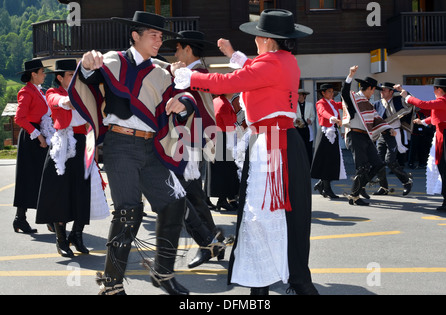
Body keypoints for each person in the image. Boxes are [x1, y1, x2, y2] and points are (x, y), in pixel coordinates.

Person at [174, 9, 318, 295]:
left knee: (261, 215)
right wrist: (233, 54)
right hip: (277, 142)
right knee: (276, 216)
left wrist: (189, 76)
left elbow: (230, 83)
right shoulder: (285, 61)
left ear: (267, 40)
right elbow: (252, 70)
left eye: (257, 36)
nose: (254, 40)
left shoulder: (270, 65)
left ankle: (277, 283)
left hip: (271, 145)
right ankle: (273, 282)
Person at [69, 11, 200, 295]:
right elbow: (89, 78)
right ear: (135, 36)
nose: (159, 40)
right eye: (153, 35)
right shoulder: (112, 60)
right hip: (120, 146)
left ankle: (162, 274)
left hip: (150, 147)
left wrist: (185, 105)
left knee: (175, 202)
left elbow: (184, 96)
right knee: (129, 213)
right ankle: (112, 285)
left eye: (161, 36)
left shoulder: (161, 71)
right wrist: (88, 66)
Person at [162, 30, 230, 268]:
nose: (175, 54)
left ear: (188, 49)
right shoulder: (196, 73)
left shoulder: (194, 74)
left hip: (188, 141)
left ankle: (208, 242)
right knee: (193, 196)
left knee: (179, 195)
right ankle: (212, 242)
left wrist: (176, 75)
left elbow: (189, 106)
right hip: (191, 140)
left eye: (178, 49)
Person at [36, 59, 109, 258]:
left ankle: (77, 235)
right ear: (59, 78)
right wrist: (73, 100)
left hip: (83, 142)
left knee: (82, 191)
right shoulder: (54, 93)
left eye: (75, 75)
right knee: (61, 193)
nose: (74, 79)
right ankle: (61, 239)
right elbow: (59, 102)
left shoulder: (85, 92)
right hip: (63, 146)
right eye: (70, 75)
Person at [341, 66, 395, 206]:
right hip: (355, 135)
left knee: (378, 164)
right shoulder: (354, 97)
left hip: (366, 137)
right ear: (370, 88)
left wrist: (388, 128)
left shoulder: (368, 104)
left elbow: (377, 119)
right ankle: (355, 196)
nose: (373, 93)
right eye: (373, 90)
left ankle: (357, 190)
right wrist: (350, 75)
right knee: (363, 167)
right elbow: (344, 93)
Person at [395, 78, 446, 211]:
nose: (434, 91)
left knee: (445, 169)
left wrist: (406, 95)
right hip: (443, 134)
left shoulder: (443, 100)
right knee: (444, 168)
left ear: (439, 89)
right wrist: (423, 121)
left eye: (434, 89)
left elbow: (423, 104)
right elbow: (438, 116)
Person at [13, 59, 53, 234]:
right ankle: (22, 219)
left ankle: (26, 218)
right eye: (42, 71)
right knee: (30, 178)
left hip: (38, 134)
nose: (45, 75)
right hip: (31, 137)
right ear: (33, 74)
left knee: (41, 178)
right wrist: (38, 136)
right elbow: (19, 118)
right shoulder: (26, 92)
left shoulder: (40, 91)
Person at [372, 82, 413, 196]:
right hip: (382, 134)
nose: (381, 92)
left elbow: (411, 102)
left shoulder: (398, 100)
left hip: (394, 133)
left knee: (390, 161)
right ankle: (383, 187)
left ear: (391, 91)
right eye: (381, 90)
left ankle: (407, 181)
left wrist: (401, 90)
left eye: (384, 90)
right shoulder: (377, 104)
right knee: (379, 162)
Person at [311, 84, 346, 199]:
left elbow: (344, 104)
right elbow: (323, 112)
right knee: (327, 161)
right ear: (323, 93)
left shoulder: (333, 103)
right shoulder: (320, 103)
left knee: (333, 161)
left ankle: (322, 184)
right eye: (329, 92)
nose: (331, 94)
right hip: (325, 133)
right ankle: (326, 188)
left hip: (333, 133)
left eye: (332, 92)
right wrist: (332, 118)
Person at [294, 89, 315, 164]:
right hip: (298, 129)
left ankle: (309, 166)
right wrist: (295, 120)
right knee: (298, 147)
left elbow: (313, 116)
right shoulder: (294, 105)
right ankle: (300, 165)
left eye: (300, 95)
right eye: (297, 95)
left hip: (307, 129)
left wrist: (310, 120)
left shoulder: (310, 105)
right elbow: (292, 116)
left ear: (304, 96)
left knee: (308, 148)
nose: (298, 97)